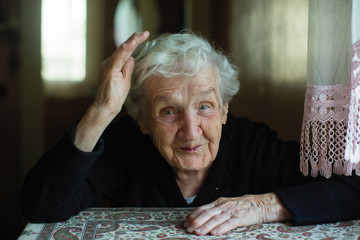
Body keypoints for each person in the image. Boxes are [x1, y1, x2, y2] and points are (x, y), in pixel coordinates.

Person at [20, 31, 360, 236]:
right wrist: (101, 110)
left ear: (225, 109)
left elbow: (354, 188)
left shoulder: (253, 144)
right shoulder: (125, 146)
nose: (191, 129)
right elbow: (42, 206)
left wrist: (266, 205)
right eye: (168, 111)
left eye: (205, 107)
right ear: (142, 119)